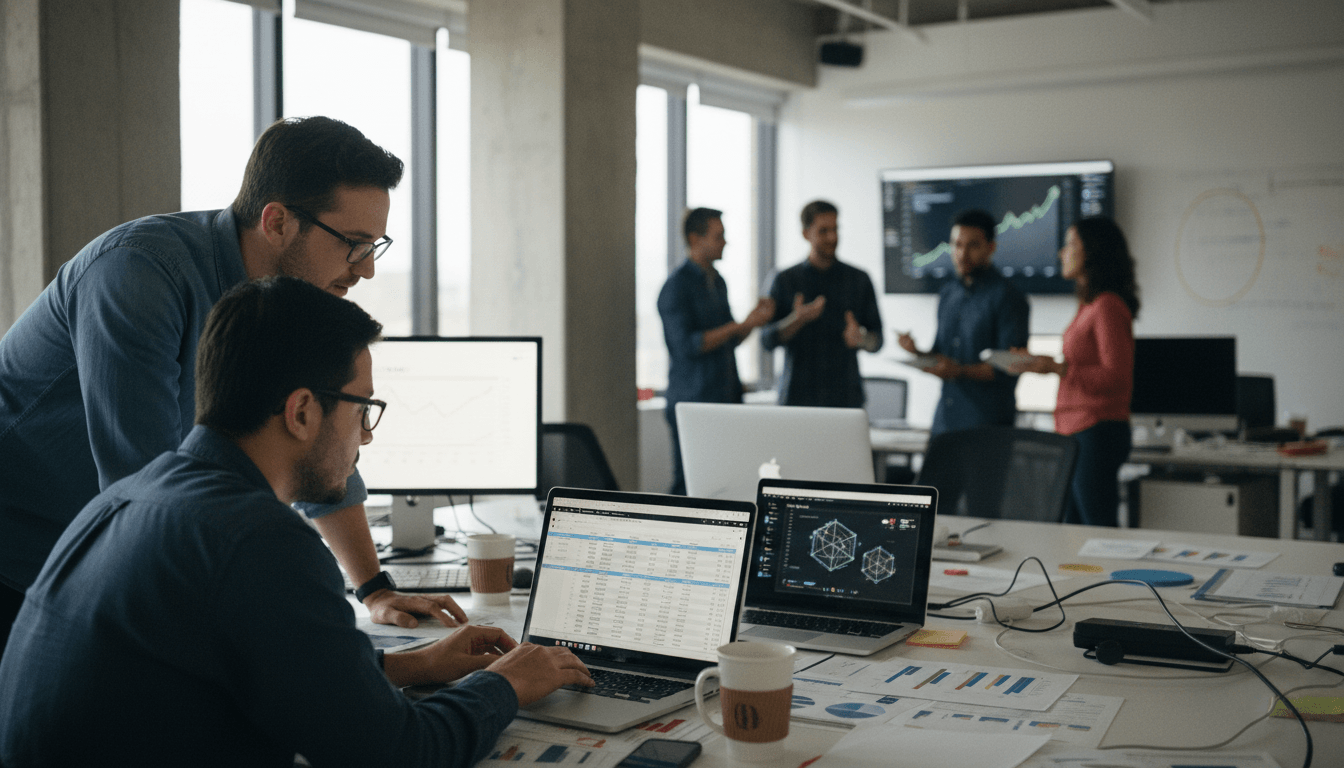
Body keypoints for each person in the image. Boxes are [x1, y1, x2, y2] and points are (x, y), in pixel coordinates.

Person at [0, 277, 593, 767]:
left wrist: (416, 665)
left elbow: (273, 671)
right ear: (303, 411)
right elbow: (399, 755)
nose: (365, 439)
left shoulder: (128, 499)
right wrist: (507, 684)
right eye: (364, 410)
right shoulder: (259, 539)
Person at [0, 117, 460, 654]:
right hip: (21, 555)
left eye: (373, 247)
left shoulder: (283, 307)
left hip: (106, 555)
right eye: (353, 245)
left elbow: (319, 451)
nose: (365, 272)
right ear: (278, 222)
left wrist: (375, 589)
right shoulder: (137, 275)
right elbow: (145, 493)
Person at [1011, 216, 1139, 527]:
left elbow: (1115, 377)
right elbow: (1078, 368)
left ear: (1092, 252)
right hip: (1075, 430)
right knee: (1077, 532)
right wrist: (1045, 365)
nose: (1061, 253)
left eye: (1070, 245)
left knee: (1097, 530)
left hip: (1095, 430)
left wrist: (1056, 367)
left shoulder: (1108, 306)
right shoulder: (1089, 305)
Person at [657, 208, 774, 494]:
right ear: (695, 238)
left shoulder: (717, 281)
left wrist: (752, 322)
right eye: (718, 236)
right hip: (693, 402)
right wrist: (739, 325)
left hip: (725, 399)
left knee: (726, 484)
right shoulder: (675, 288)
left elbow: (728, 340)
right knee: (689, 486)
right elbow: (687, 346)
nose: (725, 242)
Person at [898, 209, 1029, 435]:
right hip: (945, 421)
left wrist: (959, 371)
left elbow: (1008, 366)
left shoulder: (1008, 297)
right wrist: (918, 353)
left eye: (973, 246)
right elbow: (940, 354)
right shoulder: (948, 294)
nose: (962, 253)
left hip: (986, 423)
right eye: (956, 245)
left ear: (991, 247)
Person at [762, 200, 883, 407]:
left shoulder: (859, 279)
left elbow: (878, 341)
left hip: (845, 398)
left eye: (835, 229)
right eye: (823, 231)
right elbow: (767, 341)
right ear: (806, 233)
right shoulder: (784, 280)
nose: (832, 237)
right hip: (797, 398)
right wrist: (796, 321)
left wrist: (861, 338)